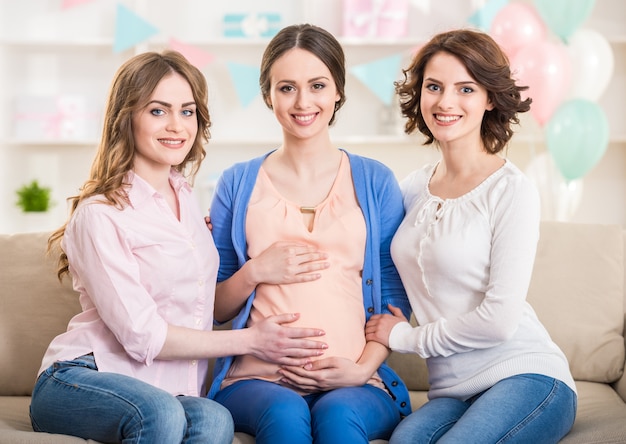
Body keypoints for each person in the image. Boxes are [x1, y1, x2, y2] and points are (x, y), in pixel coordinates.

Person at [29, 49, 328, 444]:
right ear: (126, 118)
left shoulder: (186, 203)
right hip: (82, 379)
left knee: (214, 418)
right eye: (157, 111)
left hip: (170, 390)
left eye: (187, 112)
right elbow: (143, 336)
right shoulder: (100, 214)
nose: (176, 126)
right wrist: (253, 340)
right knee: (160, 412)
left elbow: (206, 305)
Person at [365, 29, 577, 443]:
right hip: (453, 392)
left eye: (466, 88)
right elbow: (356, 237)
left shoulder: (511, 190)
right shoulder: (410, 189)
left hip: (527, 374)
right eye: (434, 87)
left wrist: (406, 338)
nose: (445, 102)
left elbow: (499, 322)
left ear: (490, 98)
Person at [208, 24, 412, 444]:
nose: (303, 102)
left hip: (357, 379)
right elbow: (215, 306)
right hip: (257, 377)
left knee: (338, 419)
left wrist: (360, 369)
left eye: (317, 85)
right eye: (287, 88)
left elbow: (394, 303)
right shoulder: (236, 183)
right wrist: (255, 271)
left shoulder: (375, 181)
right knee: (284, 414)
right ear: (268, 95)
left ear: (337, 90)